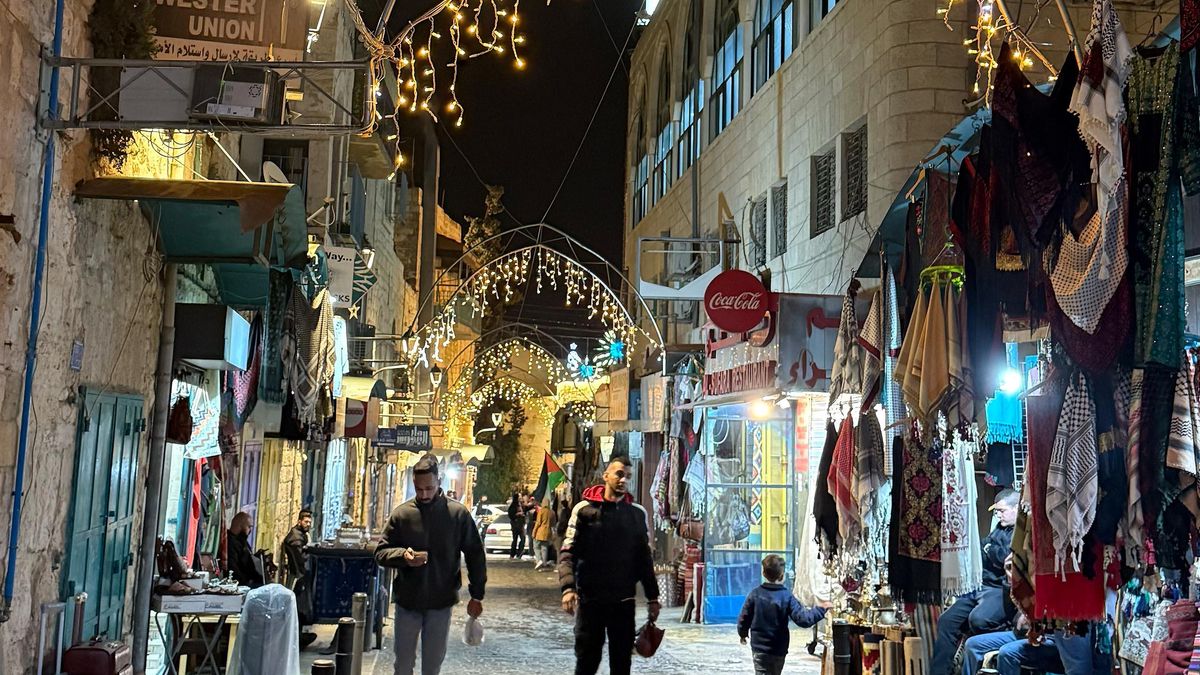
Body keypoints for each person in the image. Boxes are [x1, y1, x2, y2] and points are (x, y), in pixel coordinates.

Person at [375, 454, 487, 675]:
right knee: (403, 664)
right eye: (419, 489)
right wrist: (403, 556)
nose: (424, 494)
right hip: (408, 600)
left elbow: (475, 554)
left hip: (441, 601)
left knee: (432, 666)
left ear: (439, 482)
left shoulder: (457, 514)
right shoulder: (402, 514)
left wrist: (477, 595)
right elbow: (381, 552)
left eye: (429, 488)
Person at [559, 457, 660, 675]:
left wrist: (653, 598)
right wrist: (568, 588)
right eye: (619, 474)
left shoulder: (636, 514)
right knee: (586, 661)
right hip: (590, 601)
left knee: (622, 663)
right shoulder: (584, 510)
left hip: (623, 603)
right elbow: (568, 552)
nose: (624, 480)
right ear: (606, 476)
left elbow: (644, 560)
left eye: (628, 477)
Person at [930, 489, 1020, 674]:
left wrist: (989, 549)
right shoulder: (1000, 528)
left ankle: (978, 661)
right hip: (982, 585)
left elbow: (1003, 557)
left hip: (999, 588)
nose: (998, 515)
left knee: (978, 619)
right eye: (996, 511)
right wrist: (989, 549)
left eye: (1002, 511)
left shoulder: (1022, 531)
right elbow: (984, 549)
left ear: (1017, 508)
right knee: (947, 621)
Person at [737, 555, 830, 675]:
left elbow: (744, 618)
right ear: (782, 575)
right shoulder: (787, 596)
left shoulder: (755, 595)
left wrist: (743, 634)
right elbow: (803, 619)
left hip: (759, 649)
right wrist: (822, 609)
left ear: (763, 573)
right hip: (779, 649)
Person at [282, 508, 317, 649]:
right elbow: (300, 560)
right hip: (298, 576)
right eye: (306, 521)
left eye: (309, 522)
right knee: (299, 606)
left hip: (299, 575)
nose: (308, 524)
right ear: (299, 521)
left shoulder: (300, 534)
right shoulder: (296, 538)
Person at [225, 512, 263, 588]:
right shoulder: (230, 543)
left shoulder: (241, 541)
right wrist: (248, 581)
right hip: (240, 584)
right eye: (249, 527)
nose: (250, 530)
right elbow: (233, 568)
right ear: (240, 525)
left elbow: (246, 560)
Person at [532, 499, 554, 571]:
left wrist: (534, 532)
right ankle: (544, 562)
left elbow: (538, 523)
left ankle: (539, 560)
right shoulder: (552, 512)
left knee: (536, 547)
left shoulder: (541, 511)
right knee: (544, 548)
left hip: (540, 532)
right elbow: (554, 523)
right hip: (548, 532)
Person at [507, 491, 526, 559]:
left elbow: (526, 509)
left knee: (523, 539)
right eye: (519, 497)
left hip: (521, 525)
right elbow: (510, 514)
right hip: (515, 525)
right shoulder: (513, 506)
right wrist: (517, 514)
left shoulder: (521, 505)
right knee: (515, 540)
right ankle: (512, 554)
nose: (521, 498)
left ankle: (519, 553)